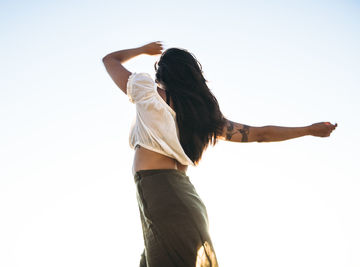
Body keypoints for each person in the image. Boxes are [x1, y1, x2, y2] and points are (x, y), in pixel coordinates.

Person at [102, 41, 337, 267]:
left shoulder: (149, 94)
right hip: (177, 197)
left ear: (163, 75)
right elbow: (260, 134)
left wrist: (143, 50)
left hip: (163, 197)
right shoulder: (205, 117)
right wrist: (308, 130)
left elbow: (110, 59)